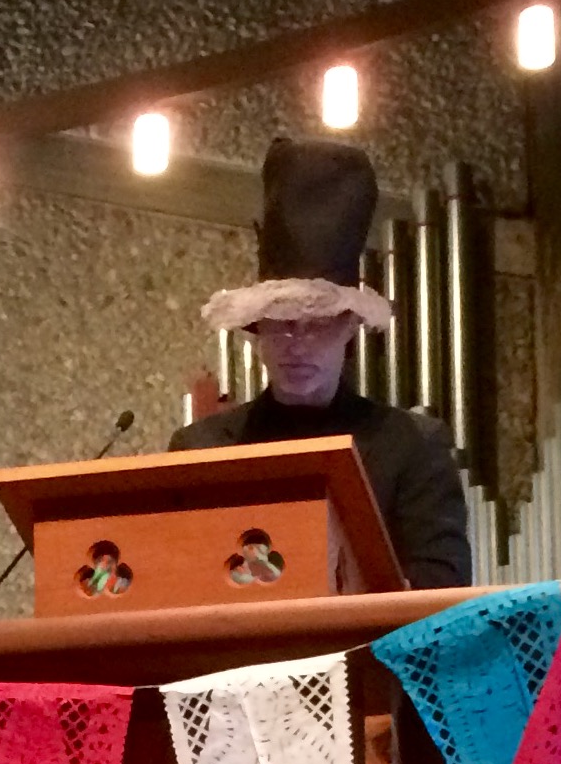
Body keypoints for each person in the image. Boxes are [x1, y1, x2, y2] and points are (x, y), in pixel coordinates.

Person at [170, 138, 471, 590]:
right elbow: (175, 579)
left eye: (318, 325)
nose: (298, 344)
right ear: (257, 329)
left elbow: (442, 587)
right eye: (282, 324)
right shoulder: (200, 449)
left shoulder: (412, 447)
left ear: (349, 327)